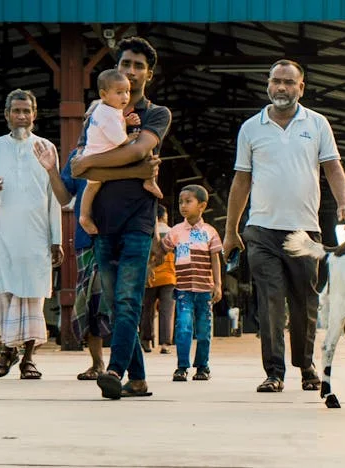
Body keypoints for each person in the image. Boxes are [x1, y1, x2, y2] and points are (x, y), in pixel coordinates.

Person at [222, 59, 345, 393]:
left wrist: (343, 204)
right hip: (261, 230)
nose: (281, 87)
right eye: (276, 81)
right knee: (270, 301)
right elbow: (241, 180)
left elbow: (333, 168)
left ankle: (305, 365)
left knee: (303, 301)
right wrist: (231, 230)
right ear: (268, 84)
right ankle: (274, 371)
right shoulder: (251, 128)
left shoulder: (318, 124)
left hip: (304, 231)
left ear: (301, 88)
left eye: (289, 82)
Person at [69, 36, 172, 400]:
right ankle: (138, 380)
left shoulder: (156, 114)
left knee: (128, 300)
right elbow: (78, 167)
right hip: (102, 221)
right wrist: (133, 168)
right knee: (113, 304)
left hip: (138, 221)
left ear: (149, 74)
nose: (131, 71)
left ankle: (114, 371)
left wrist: (98, 163)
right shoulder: (98, 112)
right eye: (125, 64)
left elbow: (137, 151)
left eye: (138, 66)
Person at [35, 115, 160, 382]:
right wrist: (51, 170)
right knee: (94, 304)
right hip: (87, 239)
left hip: (119, 232)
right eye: (91, 120)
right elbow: (64, 196)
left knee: (119, 304)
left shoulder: (126, 150)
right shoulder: (78, 156)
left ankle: (124, 371)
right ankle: (100, 364)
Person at [0, 89, 64, 380]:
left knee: (33, 296)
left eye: (27, 111)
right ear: (7, 115)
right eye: (16, 111)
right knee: (5, 295)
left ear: (35, 115)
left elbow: (54, 197)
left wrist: (56, 239)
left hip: (37, 236)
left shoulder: (46, 147)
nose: (22, 116)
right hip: (3, 235)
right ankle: (6, 351)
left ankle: (28, 359)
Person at [78, 69, 163, 235]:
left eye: (127, 92)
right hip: (101, 156)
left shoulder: (105, 109)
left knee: (92, 187)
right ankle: (149, 180)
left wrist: (126, 121)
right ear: (103, 94)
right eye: (119, 93)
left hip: (96, 153)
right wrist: (130, 138)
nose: (125, 97)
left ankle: (84, 215)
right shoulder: (107, 114)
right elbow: (119, 139)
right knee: (144, 147)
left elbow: (114, 125)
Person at [161, 185, 223, 382]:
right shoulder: (175, 231)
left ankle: (202, 366)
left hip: (204, 289)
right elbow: (161, 250)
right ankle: (182, 367)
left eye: (188, 201)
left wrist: (218, 284)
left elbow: (215, 259)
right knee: (184, 327)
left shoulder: (210, 232)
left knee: (204, 331)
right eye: (181, 202)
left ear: (202, 205)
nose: (183, 206)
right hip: (183, 289)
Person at [140, 204, 176, 354]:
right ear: (163, 216)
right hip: (169, 277)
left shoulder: (147, 231)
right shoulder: (172, 232)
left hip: (150, 276)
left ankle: (146, 341)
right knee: (167, 311)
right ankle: (165, 344)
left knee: (147, 310)